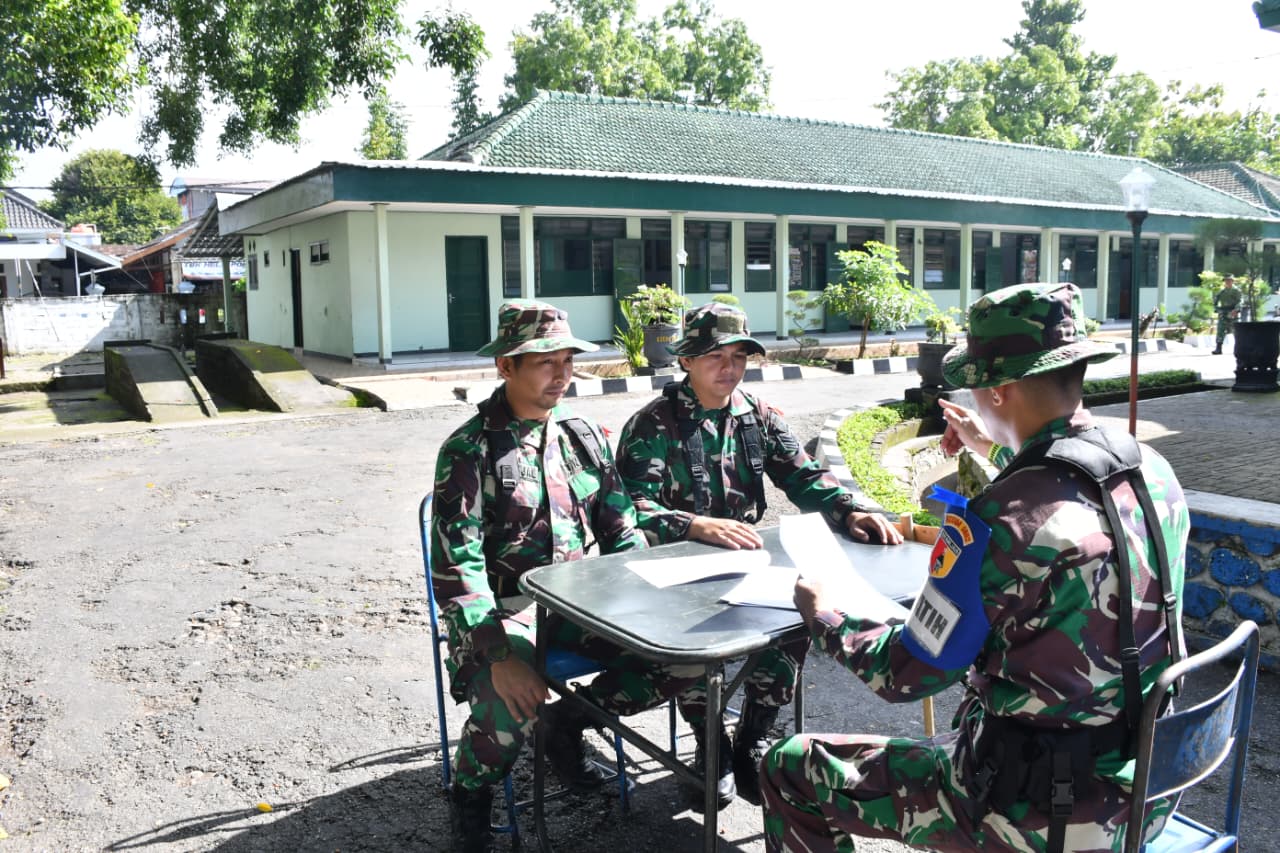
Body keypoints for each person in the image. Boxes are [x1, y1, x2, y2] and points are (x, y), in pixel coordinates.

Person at [759, 282, 1189, 853]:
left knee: (791, 765)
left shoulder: (1000, 521)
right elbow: (1069, 490)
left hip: (1040, 812)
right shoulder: (1149, 469)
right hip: (1146, 785)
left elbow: (907, 674)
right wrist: (994, 448)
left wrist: (826, 615)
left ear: (1000, 390)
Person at [432, 300, 703, 853]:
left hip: (584, 606)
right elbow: (458, 566)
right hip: (505, 615)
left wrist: (650, 602)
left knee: (690, 659)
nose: (561, 374)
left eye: (567, 361)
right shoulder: (469, 450)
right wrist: (499, 655)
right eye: (544, 362)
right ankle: (470, 801)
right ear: (506, 366)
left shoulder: (583, 438)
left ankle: (569, 723)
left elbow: (622, 530)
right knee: (507, 707)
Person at [615, 301, 903, 812]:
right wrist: (693, 524)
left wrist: (850, 510)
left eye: (739, 357)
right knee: (700, 651)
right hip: (674, 571)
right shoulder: (654, 424)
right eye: (715, 357)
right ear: (686, 361)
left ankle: (754, 735)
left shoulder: (757, 416)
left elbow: (804, 476)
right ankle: (710, 743)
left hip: (746, 563)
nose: (729, 369)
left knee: (796, 616)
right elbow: (629, 506)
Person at [1213, 273, 1242, 354]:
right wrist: (1217, 309)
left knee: (1236, 331)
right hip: (1223, 312)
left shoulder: (1236, 290)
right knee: (1220, 330)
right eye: (1226, 280)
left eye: (1229, 280)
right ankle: (1218, 348)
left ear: (1232, 281)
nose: (1227, 282)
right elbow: (1215, 301)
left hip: (1233, 312)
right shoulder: (1222, 291)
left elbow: (1240, 301)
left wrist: (1236, 310)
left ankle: (1239, 349)